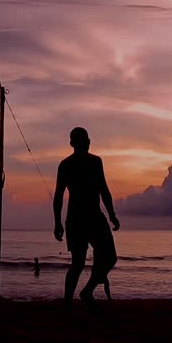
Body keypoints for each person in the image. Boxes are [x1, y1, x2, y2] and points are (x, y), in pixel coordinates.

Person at [53, 127, 120, 305]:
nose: (87, 143)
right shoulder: (66, 165)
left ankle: (85, 292)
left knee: (107, 257)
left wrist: (112, 214)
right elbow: (58, 196)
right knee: (78, 263)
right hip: (79, 219)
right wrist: (57, 223)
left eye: (86, 140)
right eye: (84, 140)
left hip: (92, 218)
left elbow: (103, 190)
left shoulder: (94, 162)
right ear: (75, 143)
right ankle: (70, 299)